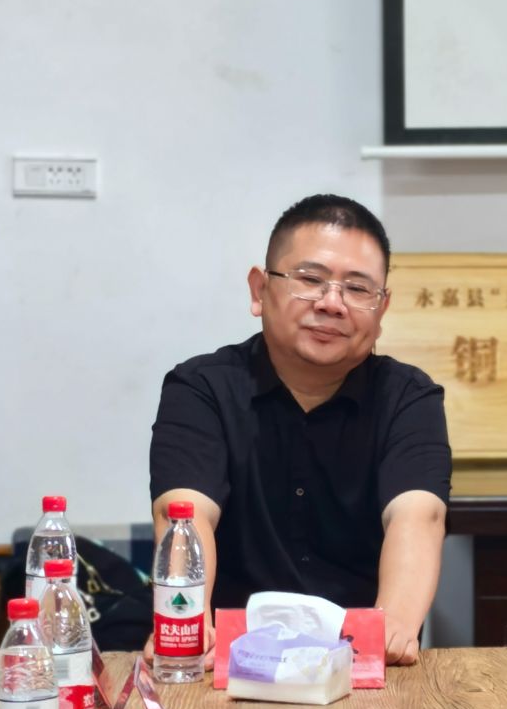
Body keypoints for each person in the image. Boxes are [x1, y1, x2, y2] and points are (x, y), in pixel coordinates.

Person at [149, 194, 451, 665]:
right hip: (230, 661)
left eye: (357, 289)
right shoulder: (201, 389)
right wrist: (187, 627)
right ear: (259, 290)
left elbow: (418, 517)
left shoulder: (408, 398)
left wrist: (390, 631)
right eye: (310, 280)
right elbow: (183, 517)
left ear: (382, 308)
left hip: (362, 664)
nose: (332, 304)